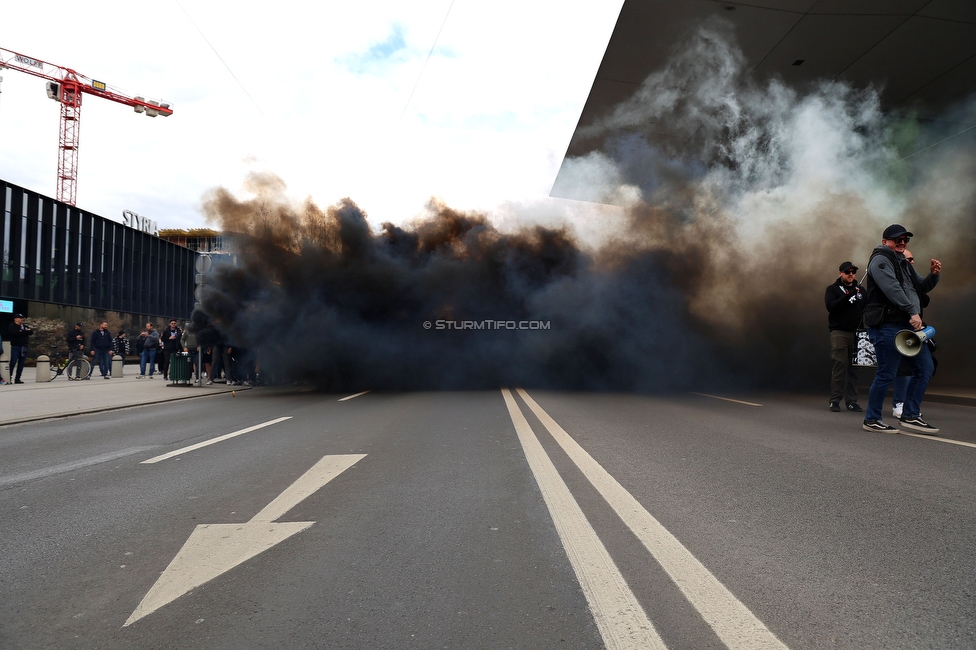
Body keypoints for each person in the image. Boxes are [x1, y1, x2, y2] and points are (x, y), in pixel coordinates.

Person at [862, 225, 941, 434]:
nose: (902, 242)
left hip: (908, 326)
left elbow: (920, 286)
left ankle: (911, 415)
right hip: (888, 326)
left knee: (924, 368)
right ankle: (872, 419)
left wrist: (933, 276)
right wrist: (912, 311)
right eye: (897, 239)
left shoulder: (903, 263)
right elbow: (892, 289)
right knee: (886, 373)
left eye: (905, 239)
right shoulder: (880, 259)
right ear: (885, 240)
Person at [825, 261, 864, 413]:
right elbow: (831, 307)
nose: (850, 274)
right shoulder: (833, 289)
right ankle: (835, 400)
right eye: (847, 271)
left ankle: (852, 401)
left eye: (853, 271)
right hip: (839, 332)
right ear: (840, 273)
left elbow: (867, 308)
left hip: (857, 333)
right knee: (840, 364)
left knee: (855, 368)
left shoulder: (861, 291)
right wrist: (848, 295)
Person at [7, 314, 33, 384]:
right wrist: (24, 332)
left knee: (21, 363)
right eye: (20, 318)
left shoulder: (24, 326)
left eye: (22, 318)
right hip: (16, 346)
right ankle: (8, 377)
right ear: (15, 319)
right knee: (13, 362)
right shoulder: (12, 326)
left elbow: (31, 332)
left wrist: (22, 331)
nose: (22, 319)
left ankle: (18, 378)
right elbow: (15, 333)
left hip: (24, 346)